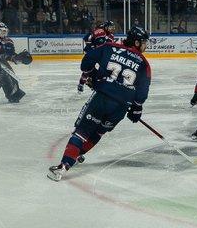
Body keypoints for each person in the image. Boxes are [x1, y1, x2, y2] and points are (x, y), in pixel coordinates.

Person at [47, 27, 152, 181]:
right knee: (98, 133)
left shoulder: (109, 47)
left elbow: (86, 62)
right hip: (121, 107)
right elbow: (142, 92)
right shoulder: (144, 64)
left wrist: (94, 76)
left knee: (82, 131)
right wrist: (136, 108)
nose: (145, 45)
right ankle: (77, 154)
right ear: (136, 42)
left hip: (102, 98)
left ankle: (64, 165)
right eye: (144, 42)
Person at [78, 20, 116, 92]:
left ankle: (95, 83)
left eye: (112, 27)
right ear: (106, 27)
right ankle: (82, 83)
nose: (112, 29)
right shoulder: (99, 31)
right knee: (88, 69)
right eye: (110, 27)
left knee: (105, 70)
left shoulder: (111, 36)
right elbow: (86, 38)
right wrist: (91, 47)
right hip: (93, 54)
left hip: (101, 55)